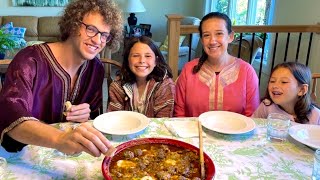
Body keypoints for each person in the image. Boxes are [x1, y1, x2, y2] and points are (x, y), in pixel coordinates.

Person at [0, 0, 123, 156]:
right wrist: (60, 139)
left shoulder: (95, 68)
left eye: (104, 35)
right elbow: (9, 117)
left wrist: (86, 114)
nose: (98, 41)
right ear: (73, 25)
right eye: (91, 29)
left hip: (68, 160)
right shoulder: (29, 60)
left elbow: (93, 119)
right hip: (22, 156)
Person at [174, 12, 260, 117]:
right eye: (206, 35)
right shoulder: (189, 69)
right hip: (194, 132)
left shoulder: (247, 72)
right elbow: (179, 113)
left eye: (219, 33)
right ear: (202, 40)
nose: (212, 41)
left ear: (230, 36)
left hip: (235, 132)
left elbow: (252, 117)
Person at [108, 36, 175, 117]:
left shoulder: (165, 85)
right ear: (128, 60)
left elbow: (162, 120)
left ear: (156, 61)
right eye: (136, 55)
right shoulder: (117, 86)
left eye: (148, 56)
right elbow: (113, 119)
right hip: (126, 128)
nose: (142, 61)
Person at [252, 62, 320, 124]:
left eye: (284, 82)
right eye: (272, 81)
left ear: (302, 90)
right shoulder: (266, 106)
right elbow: (252, 126)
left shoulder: (316, 116)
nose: (275, 86)